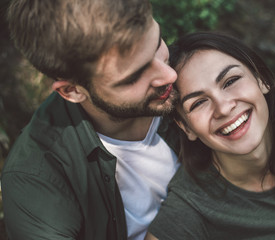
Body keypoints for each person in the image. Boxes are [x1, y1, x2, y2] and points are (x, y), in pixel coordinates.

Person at [146, 32, 275, 240]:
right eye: (199, 102)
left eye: (230, 81)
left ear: (262, 80)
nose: (223, 108)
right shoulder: (192, 206)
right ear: (186, 127)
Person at [1, 0, 181, 239]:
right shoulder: (35, 179)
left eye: (158, 42)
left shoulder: (196, 67)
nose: (170, 74)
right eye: (134, 76)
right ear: (72, 91)